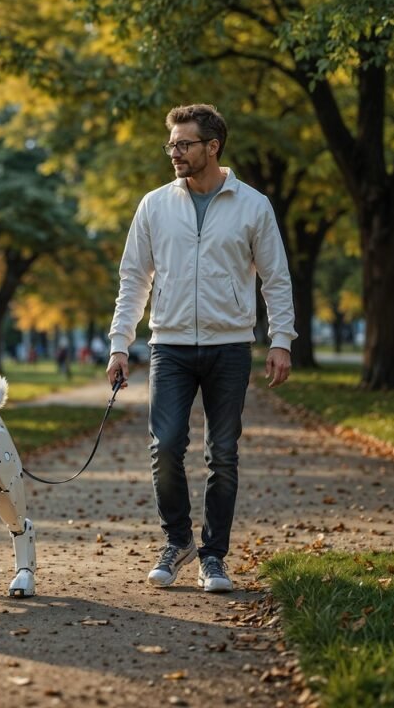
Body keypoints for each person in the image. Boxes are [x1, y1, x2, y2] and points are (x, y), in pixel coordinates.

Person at [106, 103, 296, 594]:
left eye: (184, 144)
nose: (174, 152)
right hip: (169, 344)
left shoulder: (253, 205)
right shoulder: (154, 205)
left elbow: (275, 277)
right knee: (165, 446)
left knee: (223, 455)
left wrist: (281, 340)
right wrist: (119, 344)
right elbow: (134, 277)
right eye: (171, 144)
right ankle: (177, 540)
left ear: (212, 147)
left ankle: (213, 556)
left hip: (230, 346)